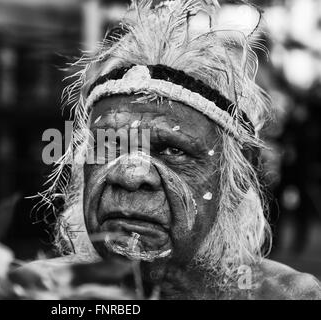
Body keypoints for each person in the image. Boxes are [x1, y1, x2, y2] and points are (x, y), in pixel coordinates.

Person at [18, 0, 321, 299]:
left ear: (238, 177)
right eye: (108, 146)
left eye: (172, 151)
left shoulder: (283, 296)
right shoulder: (33, 292)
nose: (130, 175)